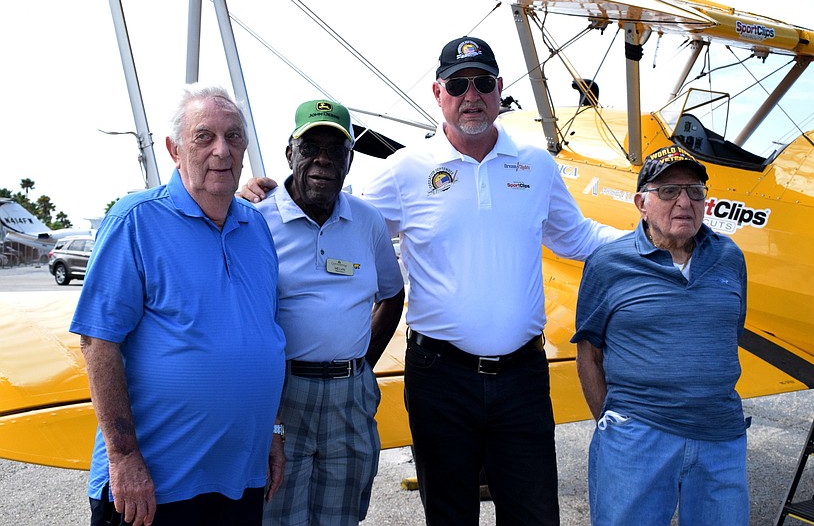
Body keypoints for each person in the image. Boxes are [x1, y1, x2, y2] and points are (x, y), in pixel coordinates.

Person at [242, 36, 624, 525]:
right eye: (458, 84)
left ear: (500, 89)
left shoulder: (536, 165)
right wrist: (260, 196)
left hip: (523, 378)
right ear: (438, 92)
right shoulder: (407, 168)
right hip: (441, 379)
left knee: (535, 515)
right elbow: (336, 211)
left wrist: (651, 237)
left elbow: (577, 238)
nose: (472, 95)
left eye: (483, 82)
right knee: (449, 517)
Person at [71, 85, 287, 526]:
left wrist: (273, 431)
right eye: (204, 137)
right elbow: (97, 342)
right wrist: (124, 458)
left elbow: (264, 339)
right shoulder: (135, 220)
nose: (221, 151)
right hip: (154, 489)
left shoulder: (257, 230)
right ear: (174, 150)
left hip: (238, 482)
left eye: (234, 136)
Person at [571, 145, 750, 525]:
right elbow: (589, 352)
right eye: (668, 191)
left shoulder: (730, 257)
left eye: (695, 191)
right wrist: (610, 421)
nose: (684, 201)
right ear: (641, 203)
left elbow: (728, 333)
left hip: (721, 437)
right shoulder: (607, 264)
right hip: (638, 438)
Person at [256, 99, 405, 526]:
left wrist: (361, 367)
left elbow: (391, 296)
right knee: (276, 512)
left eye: (335, 149)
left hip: (350, 396)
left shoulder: (367, 220)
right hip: (282, 395)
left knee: (341, 515)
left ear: (350, 159)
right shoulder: (255, 220)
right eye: (310, 147)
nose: (323, 160)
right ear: (290, 153)